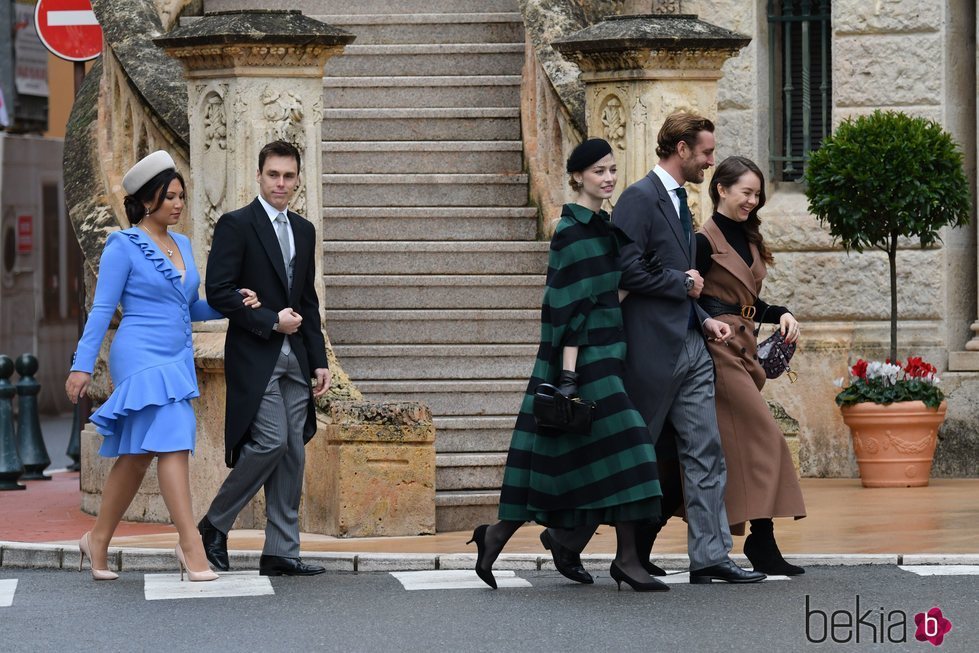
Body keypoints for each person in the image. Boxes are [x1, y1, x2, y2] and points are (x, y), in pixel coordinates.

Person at [546, 113, 767, 584]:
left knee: (706, 451)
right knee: (632, 451)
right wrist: (680, 281)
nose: (711, 160)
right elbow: (624, 270)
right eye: (706, 152)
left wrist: (705, 320)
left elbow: (686, 285)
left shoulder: (681, 202)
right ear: (682, 150)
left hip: (690, 344)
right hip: (648, 349)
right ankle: (566, 537)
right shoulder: (639, 198)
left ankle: (710, 557)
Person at [469, 138, 666, 592]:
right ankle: (628, 561)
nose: (609, 177)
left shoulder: (603, 226)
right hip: (583, 363)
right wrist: (570, 375)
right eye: (599, 171)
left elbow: (605, 295)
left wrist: (640, 280)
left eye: (613, 169)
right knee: (634, 453)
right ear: (578, 176)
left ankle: (497, 536)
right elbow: (564, 309)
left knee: (566, 463)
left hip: (609, 355)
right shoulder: (570, 230)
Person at [66, 150, 260, 582]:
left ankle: (97, 539)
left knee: (136, 457)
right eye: (168, 196)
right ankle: (191, 547)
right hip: (138, 353)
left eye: (180, 196)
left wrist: (233, 305)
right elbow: (101, 311)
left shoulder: (184, 245)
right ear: (146, 200)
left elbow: (188, 305)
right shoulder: (123, 245)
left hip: (175, 355)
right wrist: (81, 366)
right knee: (173, 439)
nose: (177, 204)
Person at [197, 140, 331, 577]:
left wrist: (319, 358)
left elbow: (307, 301)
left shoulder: (305, 230)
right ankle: (214, 523)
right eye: (273, 174)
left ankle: (280, 551)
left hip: (297, 357)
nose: (281, 183)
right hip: (257, 354)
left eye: (289, 176)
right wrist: (271, 320)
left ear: (297, 179)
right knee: (271, 441)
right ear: (259, 175)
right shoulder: (236, 224)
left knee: (293, 451)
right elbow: (216, 290)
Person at [694, 155, 806, 575]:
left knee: (727, 450)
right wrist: (711, 324)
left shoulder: (749, 237)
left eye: (757, 194)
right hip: (717, 348)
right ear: (721, 189)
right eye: (746, 192)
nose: (753, 201)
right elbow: (694, 296)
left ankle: (759, 542)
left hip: (744, 346)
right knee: (766, 437)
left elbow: (750, 301)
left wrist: (781, 312)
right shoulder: (703, 240)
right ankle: (762, 541)